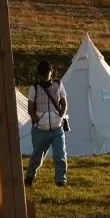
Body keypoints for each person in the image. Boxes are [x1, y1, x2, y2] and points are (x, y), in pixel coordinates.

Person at [25, 59, 68, 188]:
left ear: (51, 72)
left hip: (57, 128)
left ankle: (61, 181)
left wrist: (60, 117)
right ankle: (29, 177)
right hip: (40, 130)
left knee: (60, 155)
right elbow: (30, 109)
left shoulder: (59, 85)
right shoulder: (34, 89)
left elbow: (64, 103)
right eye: (43, 73)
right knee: (37, 157)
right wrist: (37, 120)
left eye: (47, 72)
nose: (45, 75)